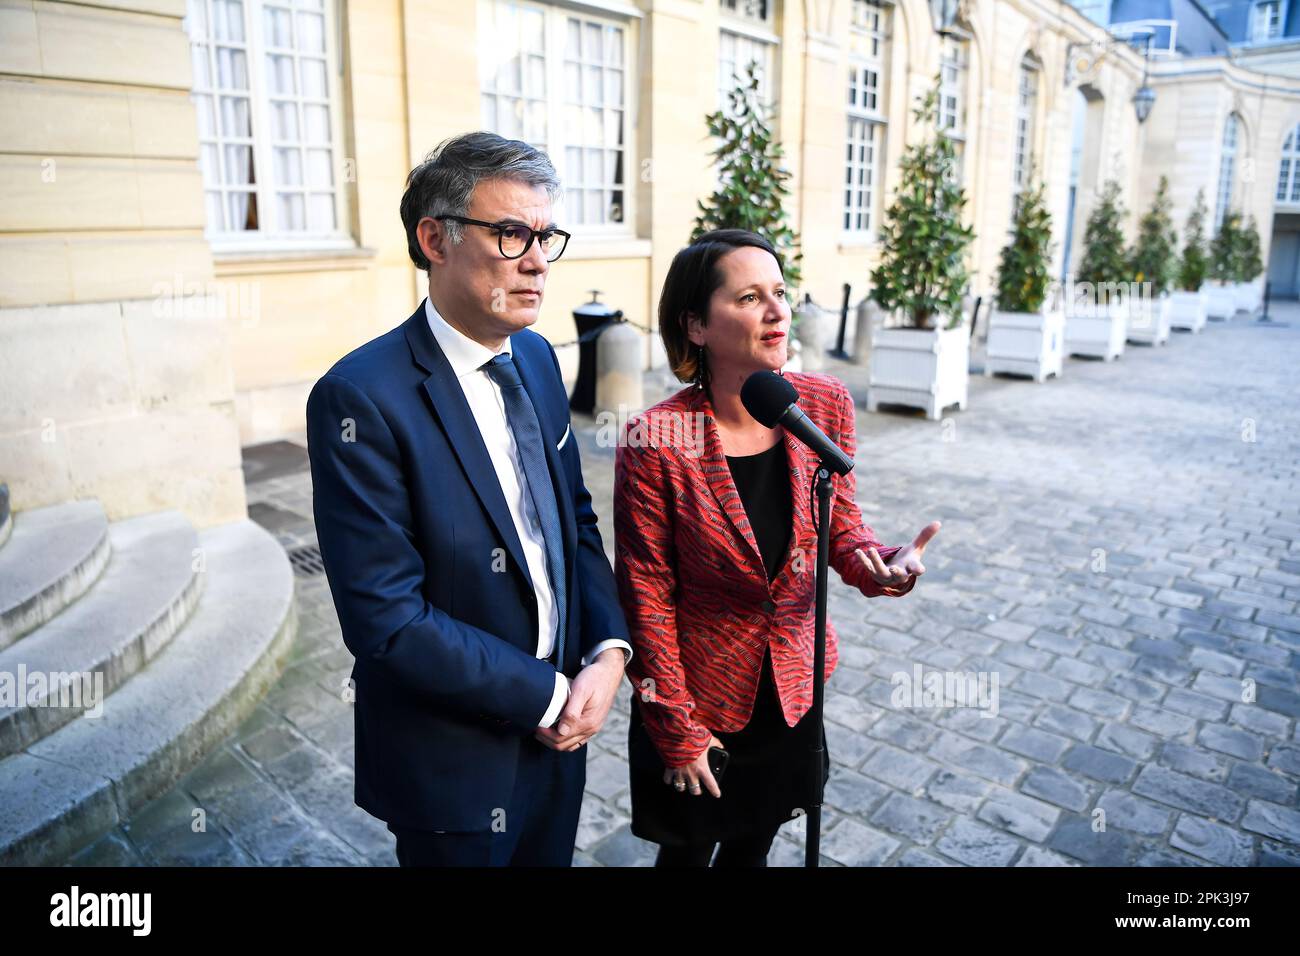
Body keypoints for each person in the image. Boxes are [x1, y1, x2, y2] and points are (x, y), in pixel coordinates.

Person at [306, 132, 631, 867]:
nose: (538, 260)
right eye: (512, 233)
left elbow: (575, 521)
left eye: (546, 236)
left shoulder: (541, 358)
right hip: (450, 761)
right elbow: (387, 619)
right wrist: (547, 695)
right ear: (435, 239)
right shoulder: (360, 397)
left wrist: (609, 652)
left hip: (561, 741)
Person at [613, 229, 940, 866]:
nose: (777, 311)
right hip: (698, 695)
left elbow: (840, 523)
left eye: (781, 293)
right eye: (749, 297)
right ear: (697, 326)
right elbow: (644, 593)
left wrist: (879, 566)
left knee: (751, 850)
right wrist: (676, 728)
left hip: (791, 688)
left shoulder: (821, 403)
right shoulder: (656, 439)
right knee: (685, 856)